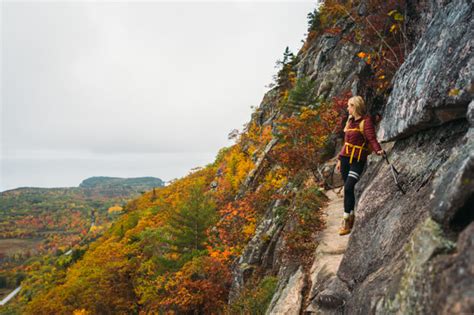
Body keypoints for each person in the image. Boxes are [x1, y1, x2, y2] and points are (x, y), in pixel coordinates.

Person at [335, 96, 384, 236]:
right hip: (345, 159)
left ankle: (345, 219)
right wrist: (339, 159)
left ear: (355, 107)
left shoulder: (365, 121)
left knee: (350, 186)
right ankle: (350, 217)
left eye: (349, 106)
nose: (347, 108)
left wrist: (378, 149)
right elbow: (345, 143)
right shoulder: (349, 122)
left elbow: (371, 138)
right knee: (348, 189)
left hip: (357, 160)